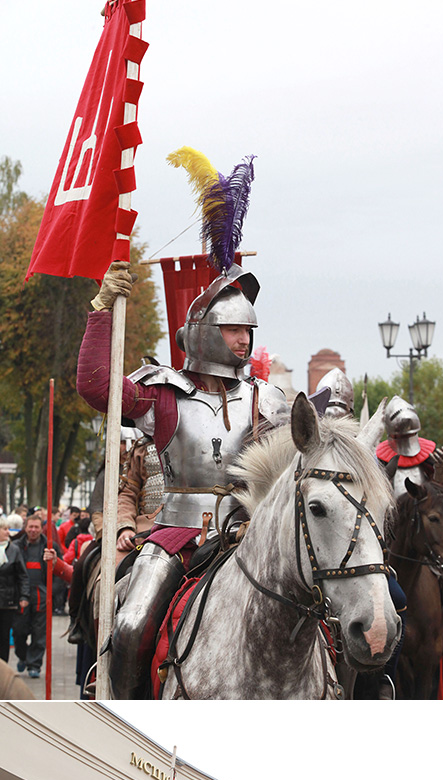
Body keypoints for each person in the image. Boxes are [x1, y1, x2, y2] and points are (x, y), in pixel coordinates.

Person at [76, 260, 288, 698]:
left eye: (248, 330)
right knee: (132, 625)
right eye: (233, 329)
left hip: (247, 532)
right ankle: (130, 717)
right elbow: (97, 387)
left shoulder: (265, 398)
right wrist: (102, 312)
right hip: (177, 533)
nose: (244, 339)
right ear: (204, 331)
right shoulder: (163, 392)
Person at [13, 512, 63, 679]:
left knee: (39, 633)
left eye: (36, 527)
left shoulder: (51, 547)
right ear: (25, 528)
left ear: (41, 528)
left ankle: (34, 665)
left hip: (42, 597)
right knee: (19, 632)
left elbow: (59, 573)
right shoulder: (16, 546)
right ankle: (23, 656)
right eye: (30, 527)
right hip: (21, 598)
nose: (33, 530)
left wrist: (52, 593)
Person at [0, 514, 29, 662]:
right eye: (4, 529)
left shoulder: (14, 550)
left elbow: (22, 576)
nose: (7, 532)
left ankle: (2, 670)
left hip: (7, 603)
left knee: (4, 637)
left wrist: (24, 596)